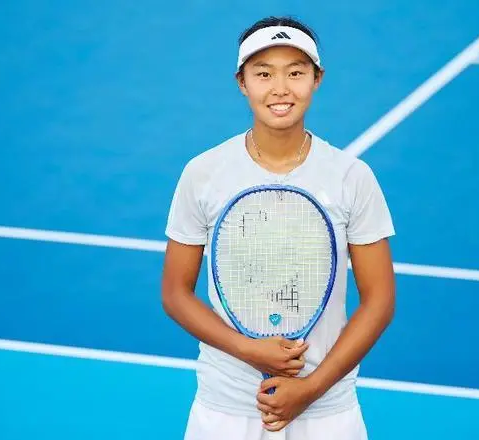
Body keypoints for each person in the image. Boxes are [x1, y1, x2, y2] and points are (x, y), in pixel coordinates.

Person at [162, 15, 396, 440]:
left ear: (317, 79)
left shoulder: (352, 177)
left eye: (296, 72)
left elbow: (379, 300)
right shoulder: (203, 173)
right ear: (242, 82)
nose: (281, 88)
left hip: (327, 412)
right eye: (264, 74)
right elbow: (176, 293)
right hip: (226, 408)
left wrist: (311, 388)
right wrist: (248, 349)